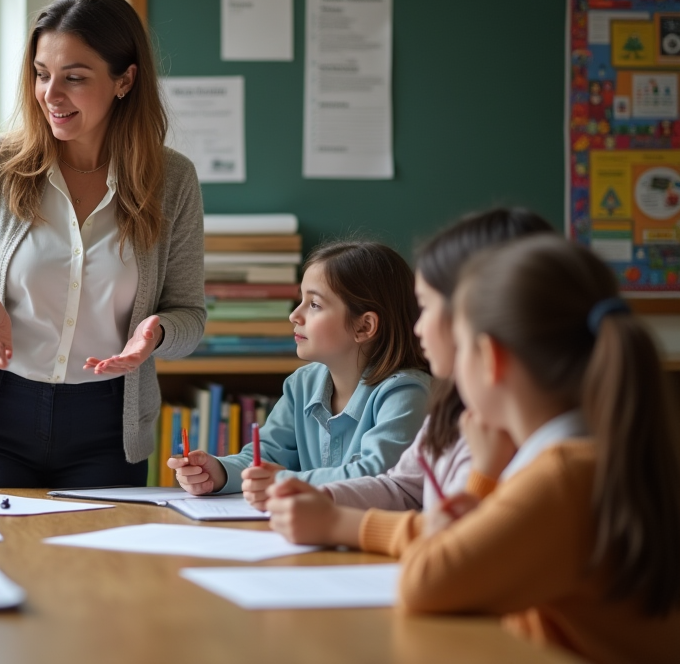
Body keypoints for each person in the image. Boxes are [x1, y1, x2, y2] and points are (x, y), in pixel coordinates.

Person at [0, 0, 206, 487]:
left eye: (74, 78)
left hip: (107, 428)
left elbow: (190, 316)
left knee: (94, 565)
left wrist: (155, 333)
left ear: (125, 80)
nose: (51, 94)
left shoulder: (172, 181)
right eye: (41, 74)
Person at [386, 235, 680, 663]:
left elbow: (424, 583)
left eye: (464, 343)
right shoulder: (593, 454)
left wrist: (473, 492)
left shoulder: (562, 475)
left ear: (490, 358)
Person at [266, 209, 552, 546]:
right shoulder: (452, 416)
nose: (417, 326)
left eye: (426, 307)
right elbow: (401, 486)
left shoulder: (540, 457)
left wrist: (336, 522)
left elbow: (449, 558)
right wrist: (322, 501)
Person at [168, 241, 430, 509]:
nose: (294, 315)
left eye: (314, 304)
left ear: (364, 326)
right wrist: (220, 472)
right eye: (300, 300)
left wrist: (282, 481)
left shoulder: (406, 392)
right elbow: (264, 457)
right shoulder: (301, 385)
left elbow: (377, 476)